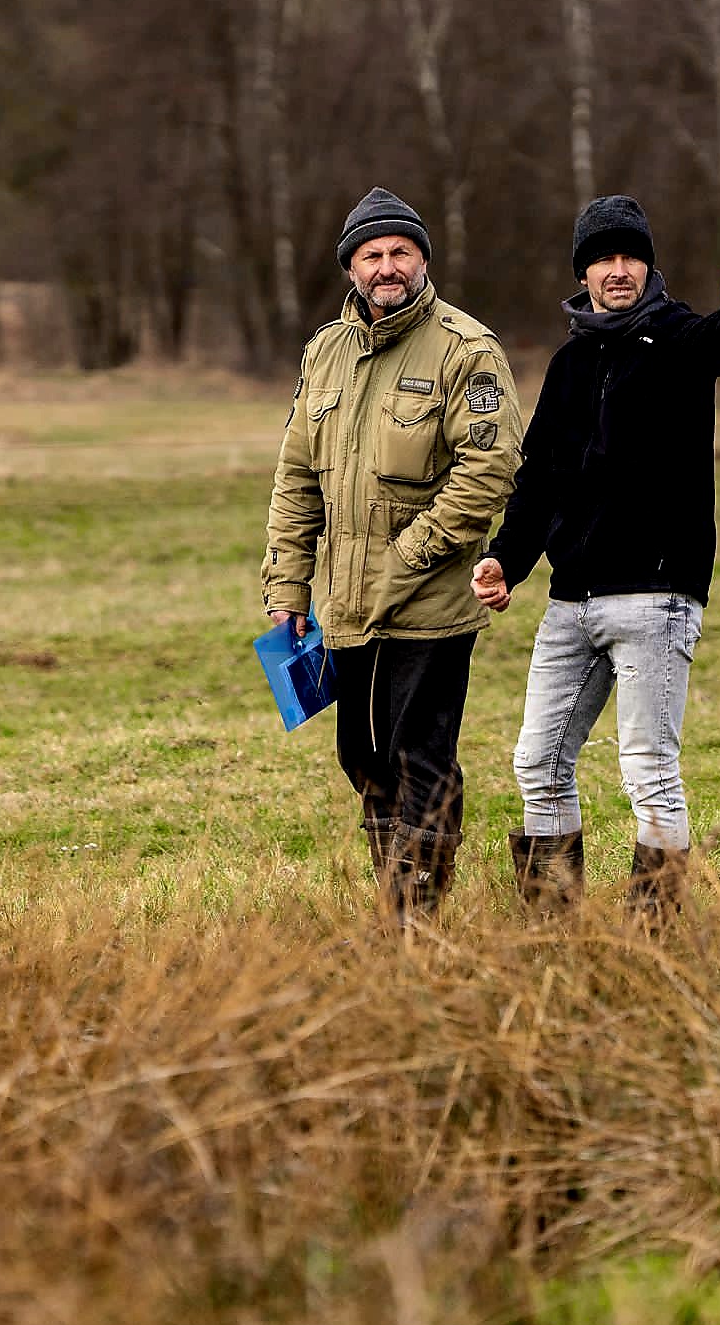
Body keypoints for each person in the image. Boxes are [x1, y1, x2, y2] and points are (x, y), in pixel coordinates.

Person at [471, 194, 720, 920]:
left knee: (649, 772)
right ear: (584, 273)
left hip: (657, 594)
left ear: (649, 265)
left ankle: (655, 939)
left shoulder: (681, 338)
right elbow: (539, 478)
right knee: (537, 763)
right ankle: (550, 928)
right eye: (603, 258)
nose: (618, 269)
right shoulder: (571, 364)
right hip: (572, 597)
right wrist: (506, 560)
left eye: (630, 255)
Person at [262, 186, 524, 925]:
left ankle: (420, 924)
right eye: (371, 255)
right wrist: (289, 587)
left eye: (400, 252)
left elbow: (491, 469)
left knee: (420, 762)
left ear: (422, 261)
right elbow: (295, 478)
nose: (387, 267)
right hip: (346, 608)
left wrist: (413, 551)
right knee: (363, 759)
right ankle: (396, 911)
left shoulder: (465, 350)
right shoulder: (326, 351)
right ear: (350, 268)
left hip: (428, 604)